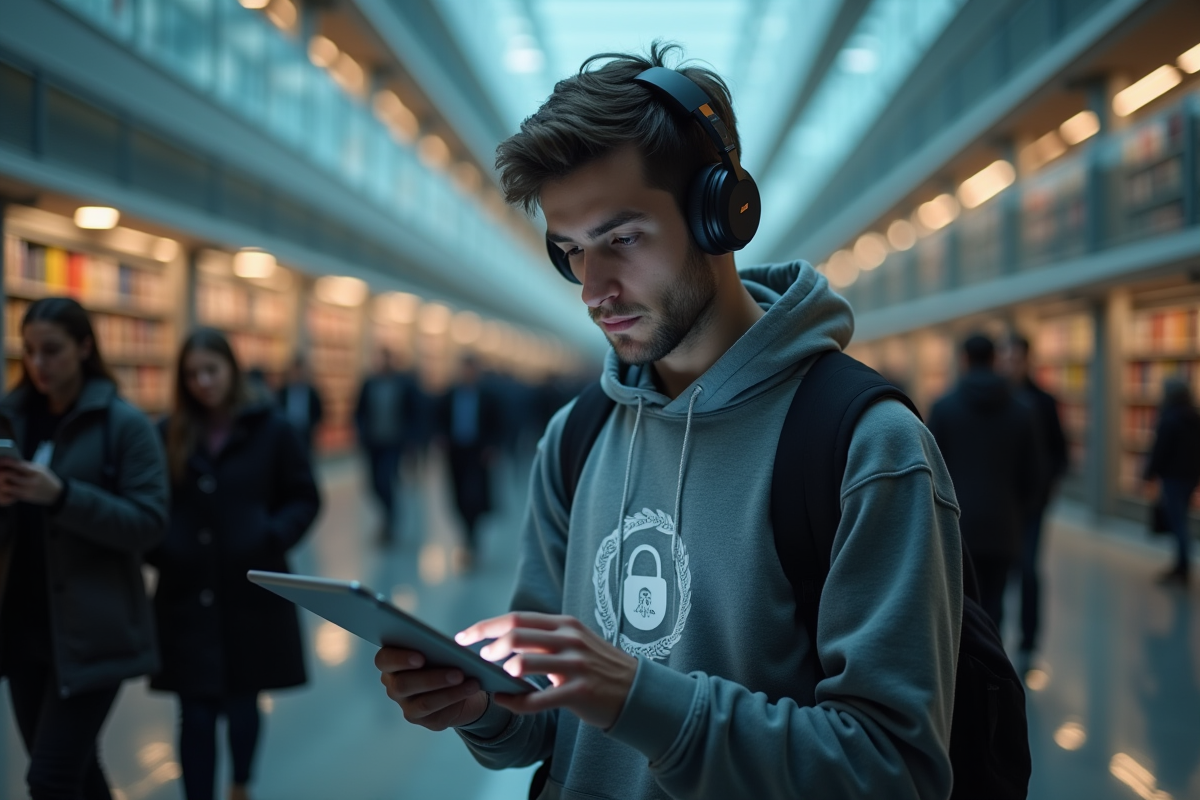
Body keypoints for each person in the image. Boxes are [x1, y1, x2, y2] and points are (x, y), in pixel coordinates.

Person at [374, 45, 963, 800]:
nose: (594, 290)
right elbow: (543, 723)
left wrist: (638, 699)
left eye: (621, 240)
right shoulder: (577, 438)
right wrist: (482, 705)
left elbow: (894, 771)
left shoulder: (865, 447)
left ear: (720, 215)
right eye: (571, 252)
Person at [0, 297, 168, 800]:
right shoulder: (11, 420)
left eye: (52, 350)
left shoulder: (124, 426)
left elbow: (149, 523)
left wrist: (63, 496)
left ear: (84, 347)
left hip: (95, 629)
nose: (38, 364)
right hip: (22, 624)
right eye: (29, 351)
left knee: (49, 778)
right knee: (74, 771)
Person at [147, 328, 320, 800]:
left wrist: (271, 534)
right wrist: (163, 548)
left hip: (250, 588)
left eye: (211, 370)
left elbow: (304, 496)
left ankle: (241, 783)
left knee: (244, 698)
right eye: (192, 375)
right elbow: (151, 503)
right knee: (195, 711)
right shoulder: (170, 433)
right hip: (187, 591)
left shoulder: (273, 428)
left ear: (231, 370)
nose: (203, 382)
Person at [928, 333, 1042, 631]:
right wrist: (1018, 511)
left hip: (957, 526)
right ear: (994, 360)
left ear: (964, 360)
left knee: (960, 607)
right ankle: (993, 671)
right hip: (1005, 525)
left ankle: (964, 674)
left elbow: (931, 471)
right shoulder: (1022, 410)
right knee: (994, 606)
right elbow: (1034, 476)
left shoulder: (943, 408)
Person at [999, 334, 1068, 669]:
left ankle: (1028, 642)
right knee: (998, 570)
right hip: (1002, 503)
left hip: (1032, 504)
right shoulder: (997, 398)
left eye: (1015, 358)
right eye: (1006, 359)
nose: (1010, 365)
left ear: (1027, 360)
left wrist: (1045, 488)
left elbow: (1060, 451)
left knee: (1027, 570)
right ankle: (994, 638)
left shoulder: (1043, 401)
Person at [435, 356, 502, 563]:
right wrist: (441, 438)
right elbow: (438, 419)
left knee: (473, 495)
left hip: (477, 453)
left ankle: (472, 535)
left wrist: (492, 446)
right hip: (456, 452)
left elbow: (498, 424)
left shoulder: (488, 397)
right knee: (457, 494)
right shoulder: (449, 395)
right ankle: (466, 530)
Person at [1142, 377, 1200, 586]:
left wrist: (1149, 473)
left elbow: (1160, 450)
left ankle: (1182, 567)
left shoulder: (1169, 419)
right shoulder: (1194, 418)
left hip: (1173, 477)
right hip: (1190, 476)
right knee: (1181, 519)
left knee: (1178, 522)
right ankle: (1181, 564)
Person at [354, 350, 414, 544]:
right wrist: (361, 432)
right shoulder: (369, 384)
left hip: (393, 443)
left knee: (385, 479)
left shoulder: (403, 384)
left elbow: (413, 411)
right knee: (373, 485)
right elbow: (359, 411)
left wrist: (410, 439)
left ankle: (390, 519)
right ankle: (389, 513)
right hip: (374, 443)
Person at [277, 355, 324, 453]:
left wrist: (313, 426)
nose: (296, 374)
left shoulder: (311, 391)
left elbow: (319, 411)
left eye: (299, 371)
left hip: (305, 433)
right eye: (294, 371)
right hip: (287, 431)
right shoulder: (283, 391)